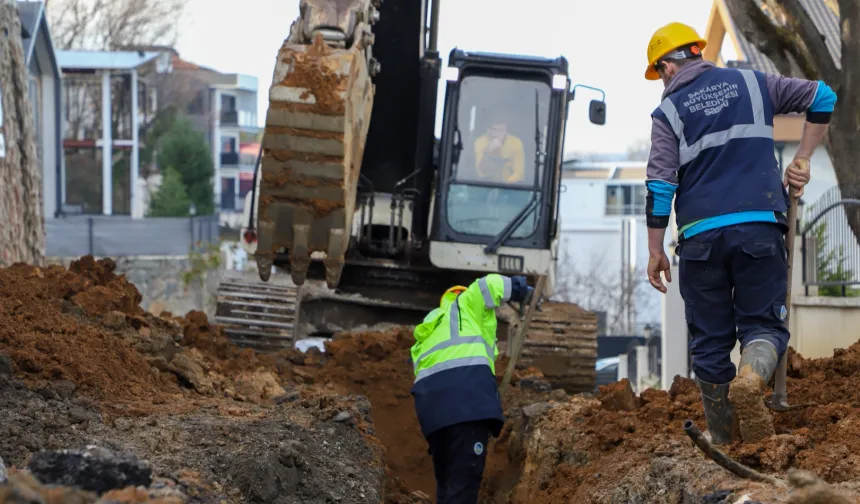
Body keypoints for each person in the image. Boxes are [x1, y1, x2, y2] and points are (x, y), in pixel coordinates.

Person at [643, 22, 836, 444]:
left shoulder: (668, 113)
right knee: (763, 327)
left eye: (658, 74)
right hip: (758, 229)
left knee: (710, 345)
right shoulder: (753, 82)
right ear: (697, 51)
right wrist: (802, 159)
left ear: (668, 67)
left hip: (700, 240)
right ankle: (752, 377)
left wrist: (656, 249)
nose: (661, 82)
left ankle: (725, 441)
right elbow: (823, 96)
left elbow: (660, 186)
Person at [411, 274, 533, 503]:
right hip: (465, 406)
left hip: (433, 415)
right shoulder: (465, 304)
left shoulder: (426, 333)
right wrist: (520, 289)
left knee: (449, 485)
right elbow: (486, 285)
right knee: (463, 487)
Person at [473, 114, 525, 184]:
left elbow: (519, 172)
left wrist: (505, 185)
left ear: (506, 131)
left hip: (510, 186)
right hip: (486, 185)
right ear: (489, 130)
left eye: (501, 130)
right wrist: (488, 152)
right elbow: (480, 172)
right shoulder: (480, 142)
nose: (498, 134)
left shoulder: (515, 143)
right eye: (495, 130)